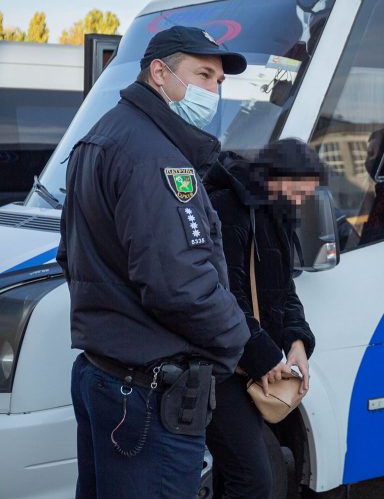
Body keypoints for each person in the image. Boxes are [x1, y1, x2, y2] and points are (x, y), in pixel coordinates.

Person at [58, 25, 251, 498]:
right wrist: (237, 342)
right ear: (159, 74)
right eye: (203, 74)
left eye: (220, 82)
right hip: (147, 394)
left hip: (104, 376)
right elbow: (179, 284)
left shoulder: (101, 135)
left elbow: (71, 256)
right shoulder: (157, 157)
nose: (213, 91)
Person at [204, 138, 322, 499]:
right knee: (255, 480)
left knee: (239, 474)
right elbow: (226, 296)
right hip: (221, 366)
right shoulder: (229, 208)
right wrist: (264, 354)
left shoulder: (275, 211)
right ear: (274, 177)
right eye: (298, 191)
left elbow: (284, 290)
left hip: (249, 365)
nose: (301, 200)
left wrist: (297, 342)